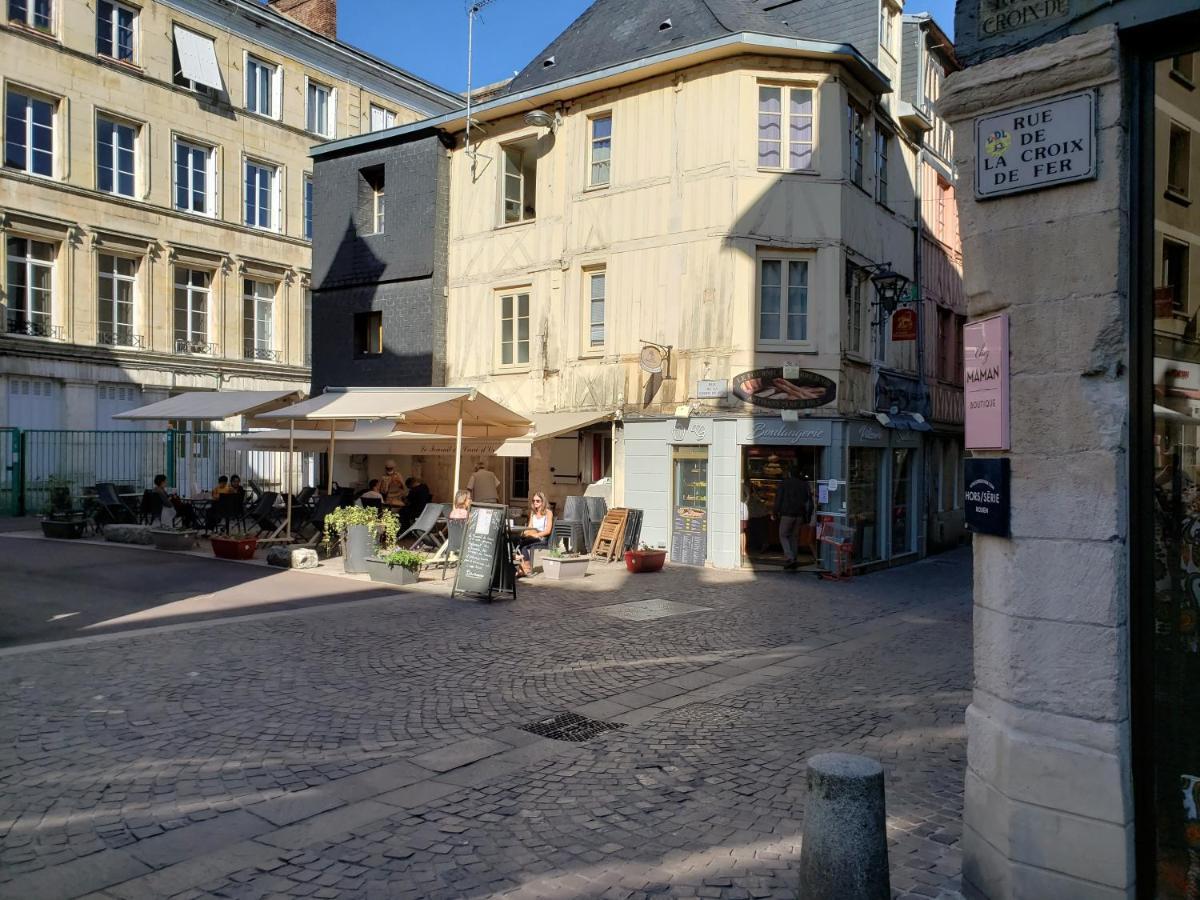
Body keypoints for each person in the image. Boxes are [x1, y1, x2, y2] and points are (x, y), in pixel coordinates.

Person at [772, 464, 813, 570]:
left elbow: (778, 499)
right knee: (794, 537)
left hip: (787, 514)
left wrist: (774, 512)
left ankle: (790, 557)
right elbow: (808, 501)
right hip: (799, 514)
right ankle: (794, 558)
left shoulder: (783, 484)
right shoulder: (804, 484)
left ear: (789, 473)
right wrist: (807, 516)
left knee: (783, 535)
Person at [517, 491, 554, 576]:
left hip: (542, 538)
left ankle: (527, 568)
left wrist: (536, 534)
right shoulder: (533, 512)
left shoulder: (548, 513)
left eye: (538, 501)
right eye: (533, 501)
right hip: (532, 536)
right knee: (516, 541)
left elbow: (548, 530)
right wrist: (525, 532)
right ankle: (522, 567)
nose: (535, 502)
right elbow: (530, 527)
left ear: (543, 501)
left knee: (523, 544)